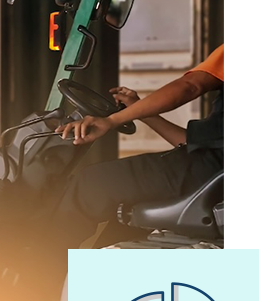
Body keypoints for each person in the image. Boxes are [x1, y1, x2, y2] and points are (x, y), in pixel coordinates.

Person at [51, 44, 223, 249]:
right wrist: (140, 111)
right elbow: (191, 144)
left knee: (91, 185)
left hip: (211, 171)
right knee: (124, 214)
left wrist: (112, 121)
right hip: (214, 173)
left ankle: (39, 275)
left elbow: (191, 86)